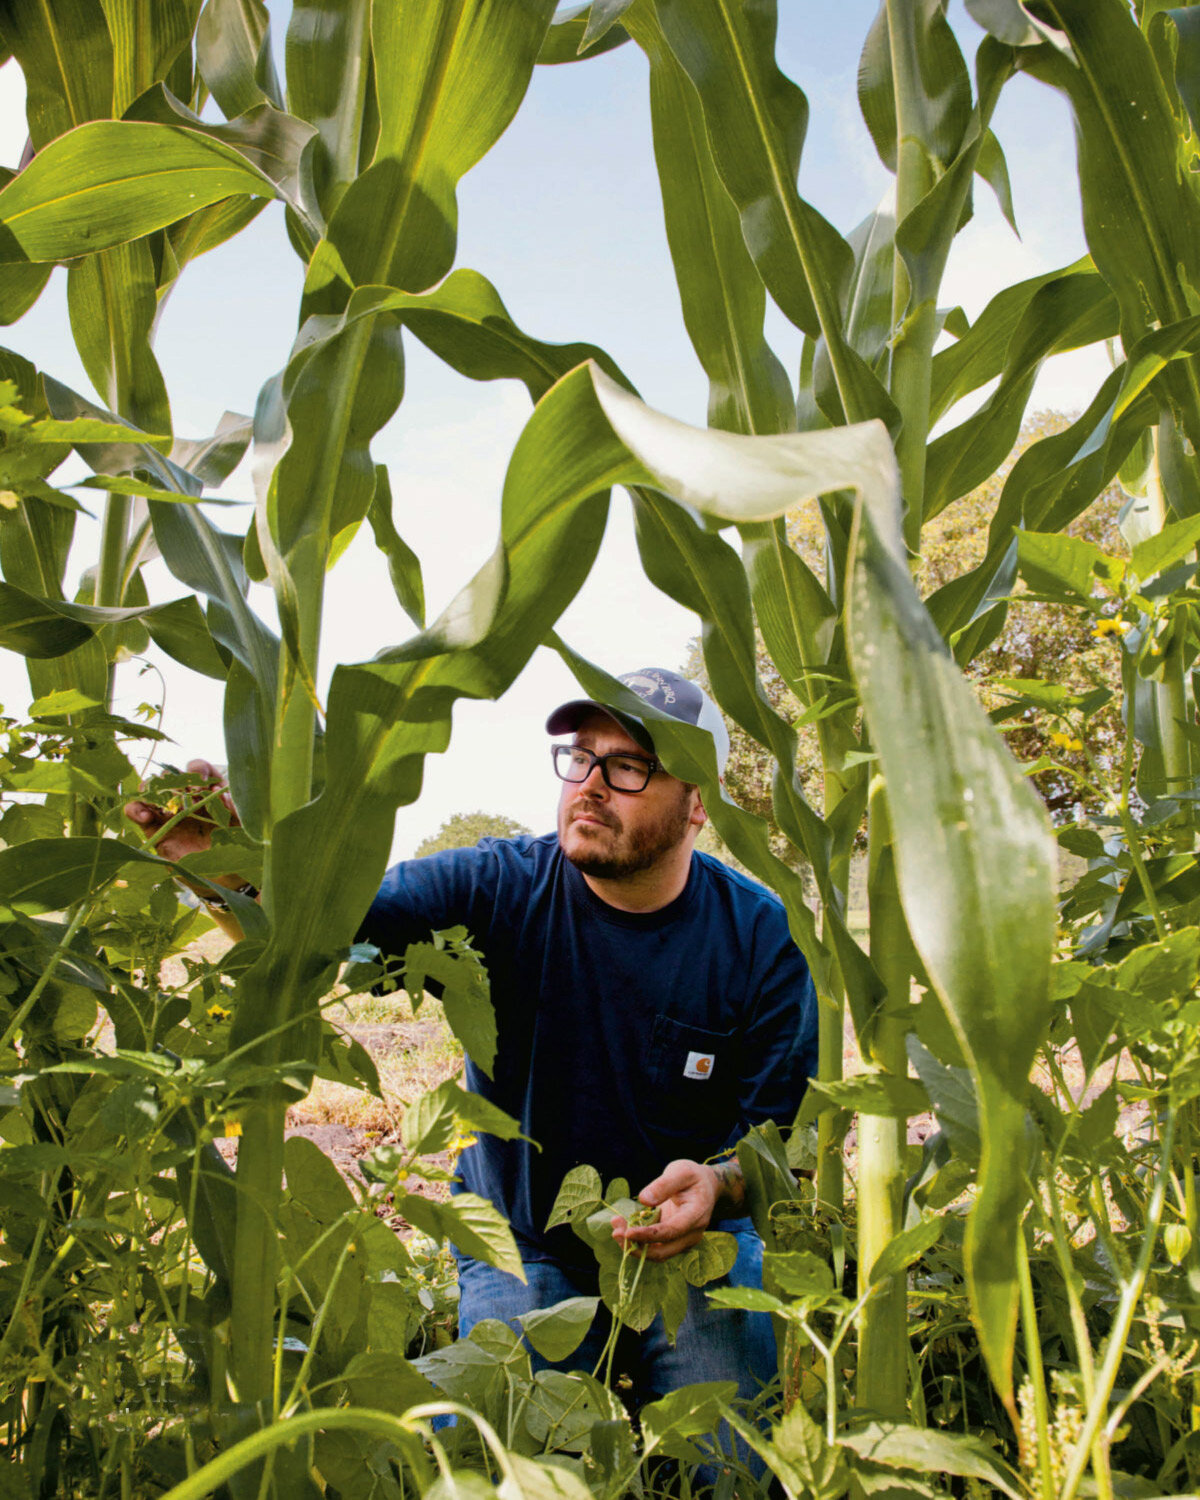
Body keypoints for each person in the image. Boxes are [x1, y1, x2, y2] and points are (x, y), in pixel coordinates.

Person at [126, 667, 818, 1424]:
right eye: (582, 756)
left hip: (693, 1246)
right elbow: (333, 934)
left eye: (629, 767)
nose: (589, 784)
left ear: (697, 806)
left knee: (729, 1460)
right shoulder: (500, 886)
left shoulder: (760, 937)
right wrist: (233, 878)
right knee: (493, 1448)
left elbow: (779, 1142)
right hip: (528, 1244)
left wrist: (716, 1188)